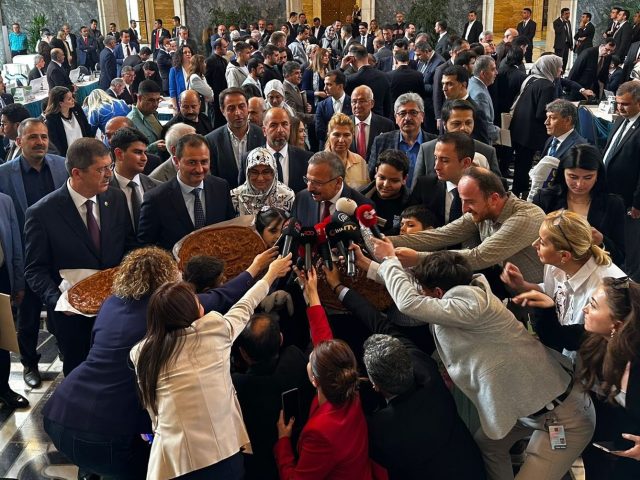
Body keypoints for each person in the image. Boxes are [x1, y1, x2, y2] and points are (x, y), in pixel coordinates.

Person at [130, 254, 292, 479]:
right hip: (222, 457)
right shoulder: (214, 331)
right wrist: (272, 272)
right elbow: (246, 304)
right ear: (192, 314)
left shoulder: (141, 353)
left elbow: (152, 409)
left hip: (173, 464)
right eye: (198, 303)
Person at [24, 139, 134, 375]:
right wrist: (59, 301)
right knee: (80, 376)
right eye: (101, 169)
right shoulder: (42, 213)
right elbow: (34, 270)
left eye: (109, 166)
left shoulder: (115, 199)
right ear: (77, 173)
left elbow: (128, 247)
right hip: (72, 320)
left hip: (116, 311)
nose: (108, 174)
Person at [274, 267, 381, 479]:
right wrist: (311, 292)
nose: (315, 350)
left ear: (314, 380)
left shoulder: (320, 433)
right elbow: (324, 341)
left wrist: (283, 441)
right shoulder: (348, 389)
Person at [502, 209, 625, 352]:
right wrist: (523, 285)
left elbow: (597, 343)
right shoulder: (555, 264)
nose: (534, 244)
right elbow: (551, 292)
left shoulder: (604, 290)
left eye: (542, 242)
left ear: (565, 256)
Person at [532, 144, 626, 266]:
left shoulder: (613, 204)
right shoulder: (546, 199)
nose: (579, 184)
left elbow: (620, 256)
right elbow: (533, 240)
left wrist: (602, 240)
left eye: (588, 177)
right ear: (562, 173)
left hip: (594, 271)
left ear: (598, 175)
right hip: (550, 268)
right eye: (573, 177)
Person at [601, 81, 640, 281]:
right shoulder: (619, 121)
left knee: (630, 244)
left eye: (625, 104)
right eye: (617, 103)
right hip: (610, 192)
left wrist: (637, 202)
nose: (619, 108)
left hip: (629, 199)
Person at [510, 54, 562, 196]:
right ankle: (524, 194)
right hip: (530, 134)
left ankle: (517, 191)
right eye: (559, 67)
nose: (561, 70)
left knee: (521, 165)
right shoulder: (547, 86)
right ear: (550, 68)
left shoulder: (532, 80)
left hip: (519, 130)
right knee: (526, 166)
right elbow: (541, 113)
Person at [291, 150, 373, 227]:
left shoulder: (363, 207)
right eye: (308, 180)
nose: (309, 188)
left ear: (338, 182)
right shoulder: (301, 198)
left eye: (317, 183)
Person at [204, 87, 265, 189]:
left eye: (241, 106)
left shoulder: (262, 135)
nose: (238, 112)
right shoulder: (211, 141)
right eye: (231, 108)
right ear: (222, 111)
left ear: (247, 107)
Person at [0, 193, 27, 408]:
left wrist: (18, 282)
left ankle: (3, 388)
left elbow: (15, 245)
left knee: (2, 338)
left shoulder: (5, 201)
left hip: (1, 277)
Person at [366, 93, 428, 184]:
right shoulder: (381, 141)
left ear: (422, 116)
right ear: (396, 118)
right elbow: (371, 177)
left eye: (413, 113)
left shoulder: (434, 143)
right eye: (402, 113)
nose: (407, 118)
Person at [231, 147, 295, 216]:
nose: (260, 178)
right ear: (247, 173)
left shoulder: (287, 196)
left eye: (266, 172)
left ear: (274, 173)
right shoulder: (235, 197)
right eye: (254, 172)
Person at [361, 149, 410, 235]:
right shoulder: (359, 196)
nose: (386, 184)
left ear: (404, 179)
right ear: (376, 172)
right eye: (382, 178)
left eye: (394, 180)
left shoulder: (412, 203)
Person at [44, 86, 92, 156]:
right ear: (60, 103)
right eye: (69, 99)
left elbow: (87, 127)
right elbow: (56, 144)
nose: (73, 100)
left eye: (72, 97)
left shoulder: (76, 108)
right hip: (68, 156)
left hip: (85, 150)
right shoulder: (52, 120)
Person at [325, 113, 368, 190]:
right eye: (337, 135)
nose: (341, 140)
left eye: (346, 135)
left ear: (353, 135)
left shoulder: (360, 162)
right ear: (328, 135)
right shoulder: (317, 162)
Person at [169, 45, 194, 111]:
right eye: (185, 52)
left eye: (189, 52)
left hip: (194, 103)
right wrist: (175, 107)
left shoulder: (195, 69)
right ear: (180, 55)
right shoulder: (174, 70)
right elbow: (172, 90)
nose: (188, 54)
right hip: (181, 104)